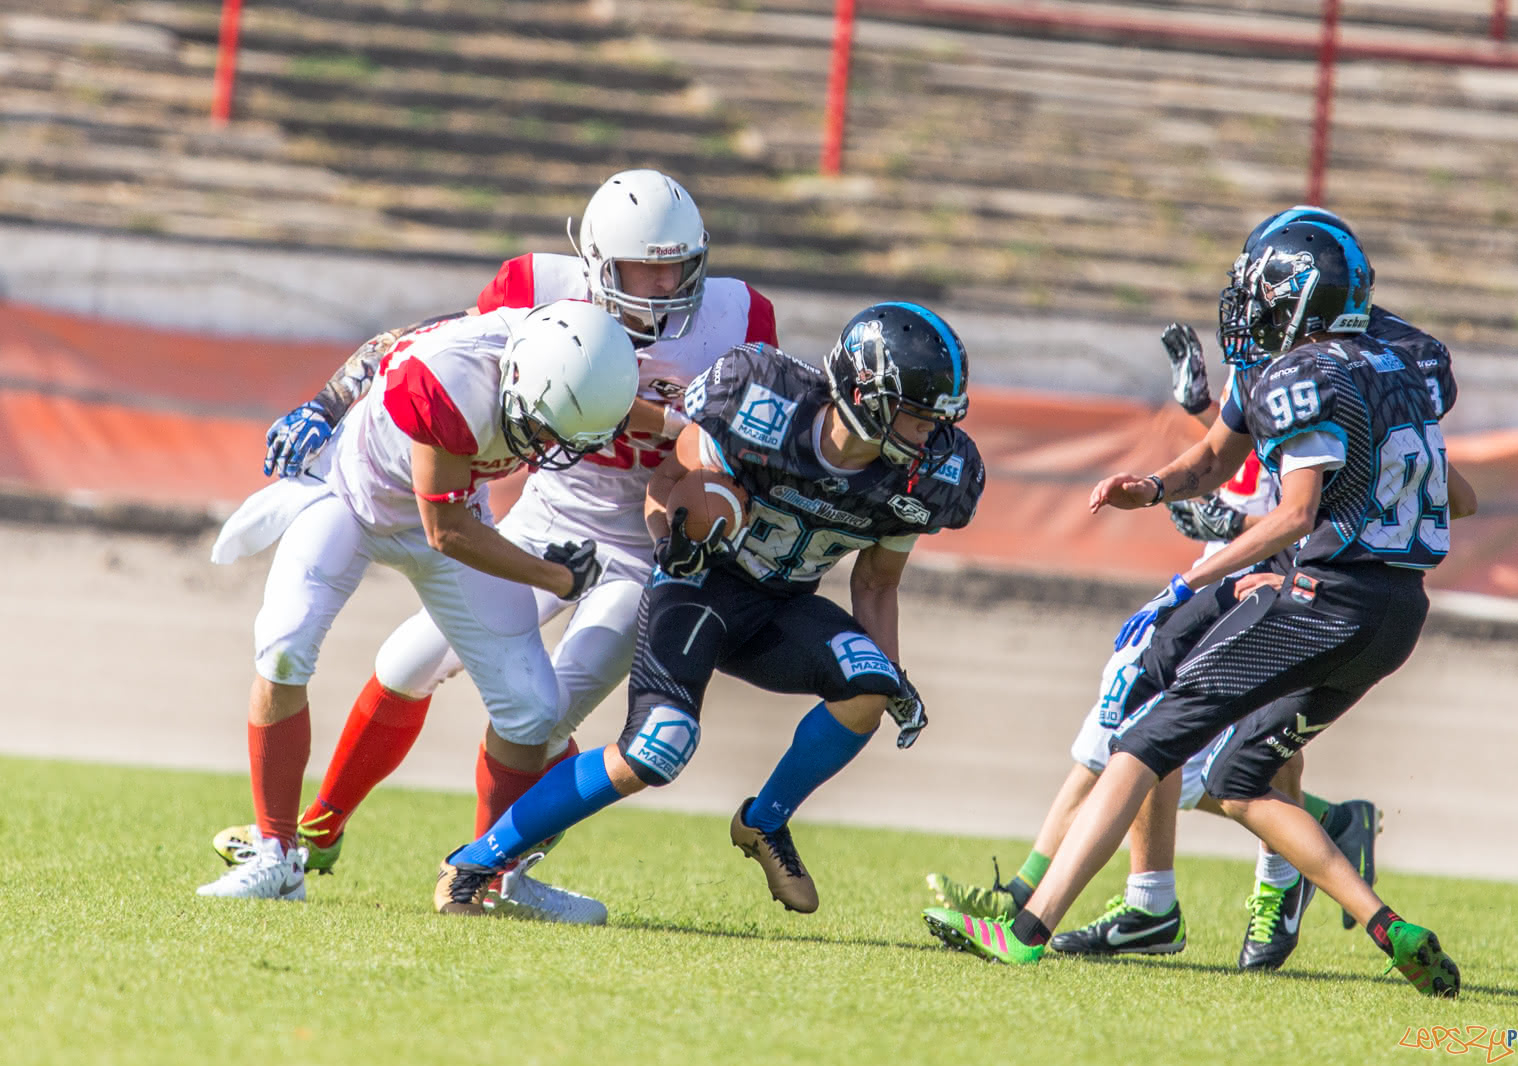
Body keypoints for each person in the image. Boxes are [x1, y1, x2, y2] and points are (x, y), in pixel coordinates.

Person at [209, 170, 779, 922]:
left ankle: (490, 874)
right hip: (547, 512)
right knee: (407, 661)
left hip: (644, 546)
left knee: (546, 713)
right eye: (645, 265)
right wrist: (328, 402)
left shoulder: (739, 318)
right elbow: (414, 348)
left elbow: (743, 442)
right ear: (600, 260)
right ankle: (315, 832)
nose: (665, 283)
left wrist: (698, 484)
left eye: (678, 264)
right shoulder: (534, 288)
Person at [924, 219, 1466, 998]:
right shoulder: (1399, 362)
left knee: (1144, 739)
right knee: (1246, 779)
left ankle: (1029, 927)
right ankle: (1391, 928)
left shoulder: (1300, 374)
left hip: (1321, 595)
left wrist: (1200, 571)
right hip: (1396, 614)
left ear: (1298, 300)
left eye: (1261, 292)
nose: (1243, 305)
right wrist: (1151, 487)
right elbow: (1448, 490)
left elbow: (1296, 513)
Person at [430, 301, 984, 917]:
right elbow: (667, 486)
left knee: (871, 684)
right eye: (918, 417)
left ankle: (764, 822)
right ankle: (475, 861)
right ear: (866, 395)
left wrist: (894, 671)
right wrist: (677, 541)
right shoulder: (762, 399)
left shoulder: (927, 479)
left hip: (781, 609)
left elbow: (877, 584)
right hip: (698, 588)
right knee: (658, 747)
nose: (934, 437)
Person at [197, 300, 639, 902]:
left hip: (448, 511)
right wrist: (556, 578)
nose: (544, 447)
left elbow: (449, 513)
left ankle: (487, 877)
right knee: (283, 644)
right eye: (539, 428)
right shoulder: (449, 375)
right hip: (351, 496)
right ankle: (277, 857)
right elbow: (446, 532)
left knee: (532, 708)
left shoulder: (544, 352)